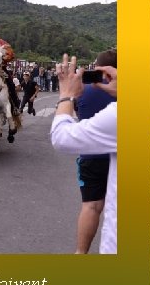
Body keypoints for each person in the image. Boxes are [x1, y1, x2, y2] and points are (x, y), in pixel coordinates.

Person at [50, 54, 117, 254]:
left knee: (91, 206)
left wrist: (68, 95)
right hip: (110, 154)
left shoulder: (85, 91)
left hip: (91, 154)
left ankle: (81, 253)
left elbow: (66, 125)